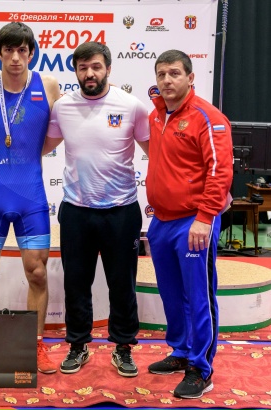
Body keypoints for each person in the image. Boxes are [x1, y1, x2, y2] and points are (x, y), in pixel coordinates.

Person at [43, 42, 149, 377]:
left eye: (96, 67)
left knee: (122, 284)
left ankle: (123, 347)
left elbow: (157, 152)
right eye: (83, 67)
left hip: (122, 212)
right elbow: (41, 146)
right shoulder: (63, 107)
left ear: (108, 69)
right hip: (77, 211)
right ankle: (78, 345)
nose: (90, 73)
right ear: (75, 71)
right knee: (76, 283)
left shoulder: (131, 106)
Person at [0, 22, 60, 374]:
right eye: (9, 50)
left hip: (31, 195)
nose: (15, 57)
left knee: (38, 273)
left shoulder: (48, 86)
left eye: (22, 50)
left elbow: (60, 131)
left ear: (31, 53)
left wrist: (30, 153)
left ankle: (35, 345)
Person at [145, 50, 233, 399]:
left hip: (193, 222)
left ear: (190, 77)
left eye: (175, 73)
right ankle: (181, 351)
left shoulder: (207, 117)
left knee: (199, 296)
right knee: (171, 293)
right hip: (161, 221)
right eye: (161, 74)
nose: (167, 80)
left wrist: (206, 217)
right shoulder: (156, 114)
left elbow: (220, 170)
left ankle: (201, 368)